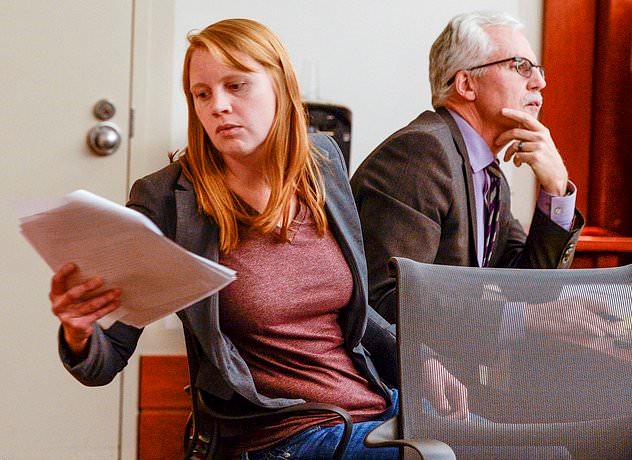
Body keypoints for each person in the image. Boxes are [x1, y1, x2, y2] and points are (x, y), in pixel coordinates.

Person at [50, 18, 400, 459]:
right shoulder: (167, 200)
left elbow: (356, 315)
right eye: (202, 94)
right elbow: (107, 357)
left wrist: (427, 368)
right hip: (285, 436)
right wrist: (78, 332)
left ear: (280, 86)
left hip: (375, 408)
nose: (218, 106)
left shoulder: (321, 163)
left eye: (236, 86)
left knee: (485, 434)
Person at [350, 10, 586, 325]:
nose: (540, 82)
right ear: (466, 84)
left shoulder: (488, 174)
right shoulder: (421, 152)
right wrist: (521, 321)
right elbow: (389, 301)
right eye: (521, 66)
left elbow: (531, 289)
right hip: (401, 358)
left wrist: (556, 190)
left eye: (538, 70)